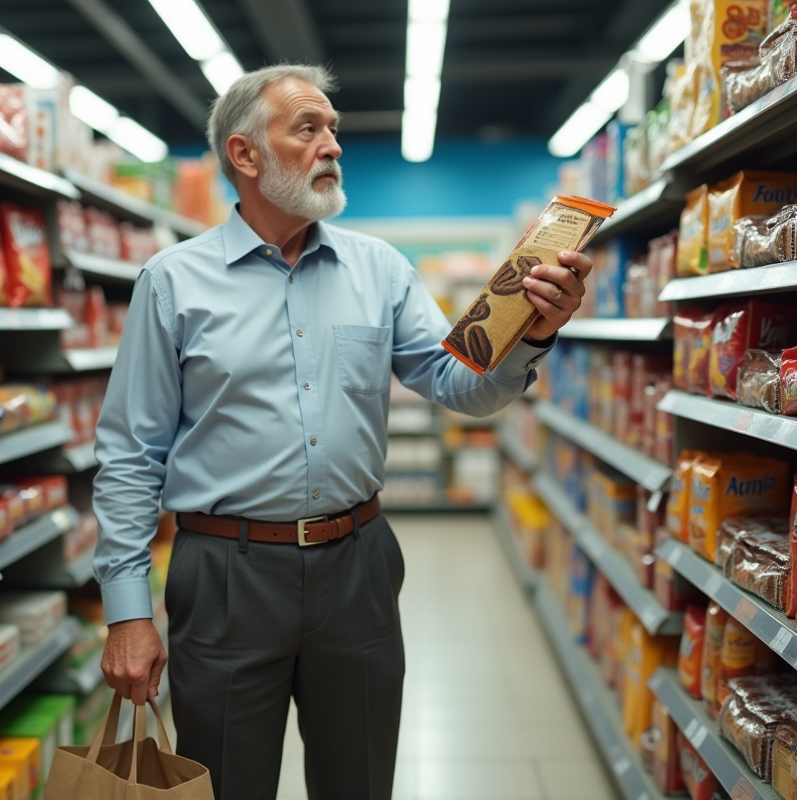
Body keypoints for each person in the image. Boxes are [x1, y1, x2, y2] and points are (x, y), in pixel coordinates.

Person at [92, 63, 593, 799]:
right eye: (308, 128)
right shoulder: (173, 282)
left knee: (358, 780)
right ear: (245, 155)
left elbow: (461, 386)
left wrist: (532, 332)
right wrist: (127, 613)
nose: (332, 144)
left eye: (333, 129)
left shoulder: (380, 270)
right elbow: (131, 456)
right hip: (227, 574)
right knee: (227, 783)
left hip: (356, 565)